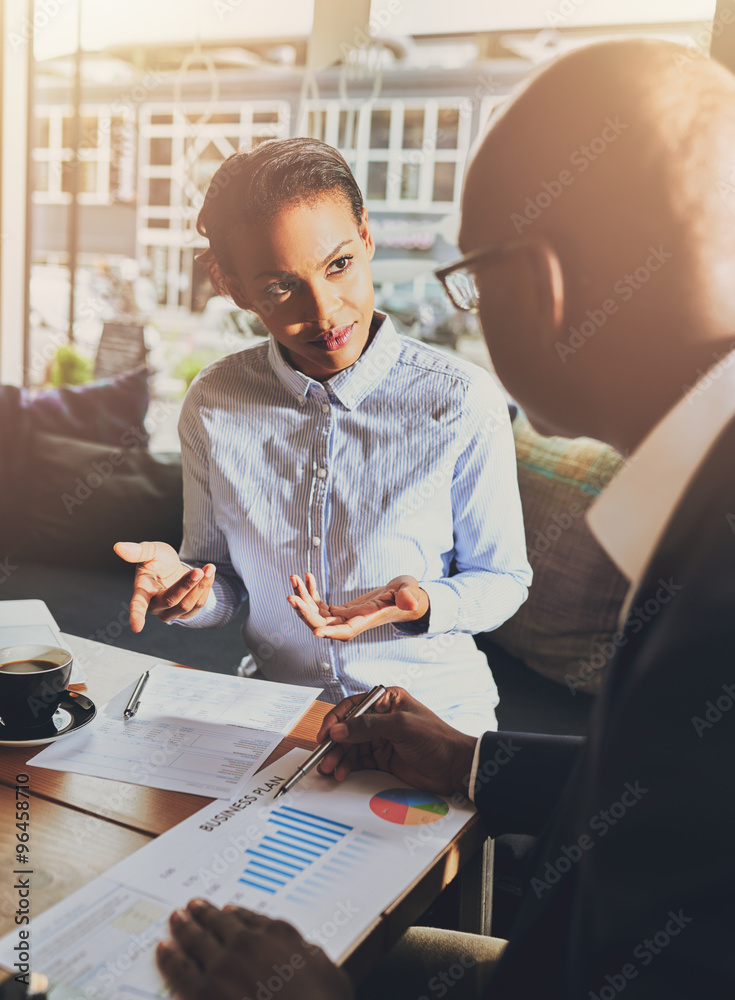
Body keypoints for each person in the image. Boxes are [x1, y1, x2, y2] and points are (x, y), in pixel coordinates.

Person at [154, 37, 735, 999]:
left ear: (540, 287)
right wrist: (471, 761)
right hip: (318, 735)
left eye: (471, 274)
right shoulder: (698, 521)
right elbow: (682, 807)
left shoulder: (709, 571)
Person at [115, 137, 532, 735]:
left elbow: (503, 580)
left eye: (339, 265)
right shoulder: (213, 403)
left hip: (436, 718)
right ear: (232, 286)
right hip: (279, 716)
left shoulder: (462, 400)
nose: (326, 312)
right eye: (281, 287)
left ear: (365, 236)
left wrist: (426, 605)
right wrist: (189, 591)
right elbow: (222, 585)